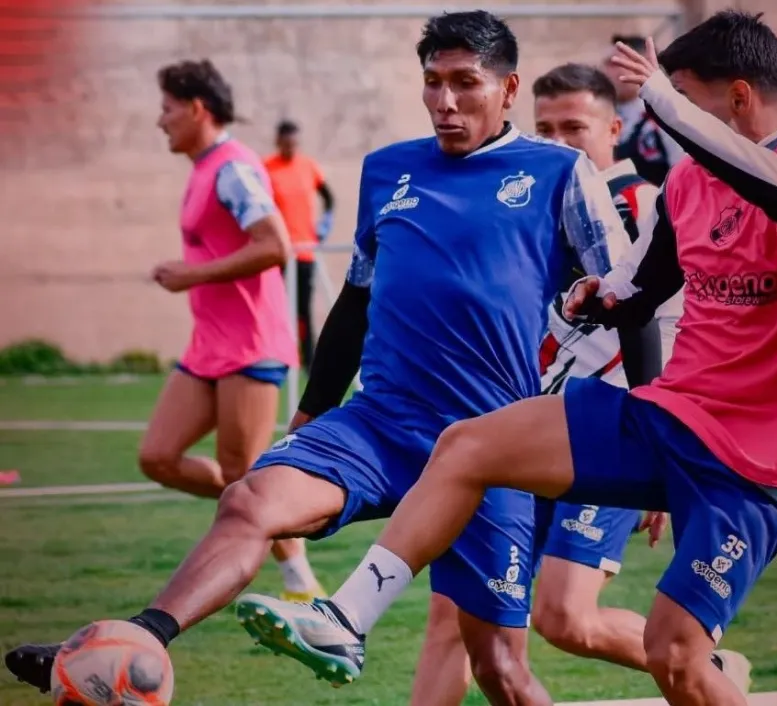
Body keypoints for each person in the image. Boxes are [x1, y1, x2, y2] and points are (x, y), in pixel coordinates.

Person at [3, 11, 655, 703]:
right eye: (432, 82)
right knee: (249, 497)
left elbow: (630, 297)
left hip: (490, 448)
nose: (445, 100)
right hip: (381, 423)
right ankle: (136, 641)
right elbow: (355, 301)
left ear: (508, 88)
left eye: (466, 82)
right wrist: (313, 410)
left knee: (499, 668)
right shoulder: (389, 171)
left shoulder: (560, 173)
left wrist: (652, 426)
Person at [289, 11, 777, 706]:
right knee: (468, 444)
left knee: (675, 656)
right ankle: (346, 616)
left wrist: (664, 103)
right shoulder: (685, 188)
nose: (661, 120)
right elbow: (640, 290)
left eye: (680, 98)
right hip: (669, 419)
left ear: (738, 97)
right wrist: (600, 295)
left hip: (755, 464)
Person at [408, 62, 749, 706]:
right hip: (527, 429)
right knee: (456, 617)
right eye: (545, 128)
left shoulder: (645, 206)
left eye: (575, 127)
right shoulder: (527, 203)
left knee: (566, 619)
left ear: (613, 129)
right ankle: (710, 665)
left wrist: (664, 441)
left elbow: (672, 324)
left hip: (613, 427)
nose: (560, 142)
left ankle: (709, 668)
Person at [140, 61, 324, 604]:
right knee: (158, 457)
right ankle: (277, 518)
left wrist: (189, 274)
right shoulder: (202, 169)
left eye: (167, 108)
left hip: (251, 345)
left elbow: (274, 246)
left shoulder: (233, 168)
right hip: (207, 348)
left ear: (197, 109)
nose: (160, 120)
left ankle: (301, 583)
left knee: (244, 472)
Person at [265, 119, 336, 372]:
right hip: (276, 252)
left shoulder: (308, 167)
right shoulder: (267, 168)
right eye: (286, 144)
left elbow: (328, 198)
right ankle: (276, 355)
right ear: (278, 142)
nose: (290, 148)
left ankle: (309, 361)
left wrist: (325, 223)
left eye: (294, 144)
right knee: (275, 306)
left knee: (303, 308)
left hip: (305, 250)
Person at [600, 34, 685, 186]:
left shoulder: (666, 116)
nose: (604, 72)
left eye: (614, 63)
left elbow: (685, 178)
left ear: (641, 63)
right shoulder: (604, 119)